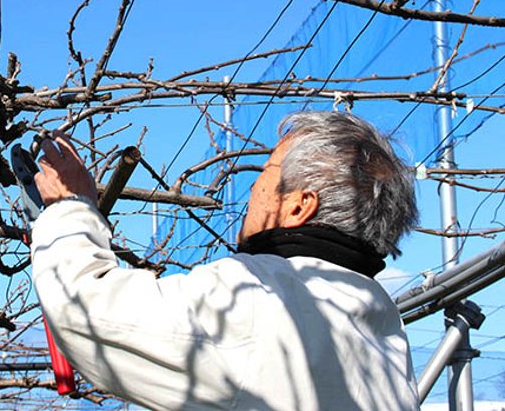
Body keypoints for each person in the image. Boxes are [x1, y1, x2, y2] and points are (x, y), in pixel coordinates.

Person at [31, 111, 420, 410]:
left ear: (300, 205)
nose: (253, 190)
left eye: (265, 173)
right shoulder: (381, 322)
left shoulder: (262, 294)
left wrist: (70, 209)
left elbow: (82, 308)